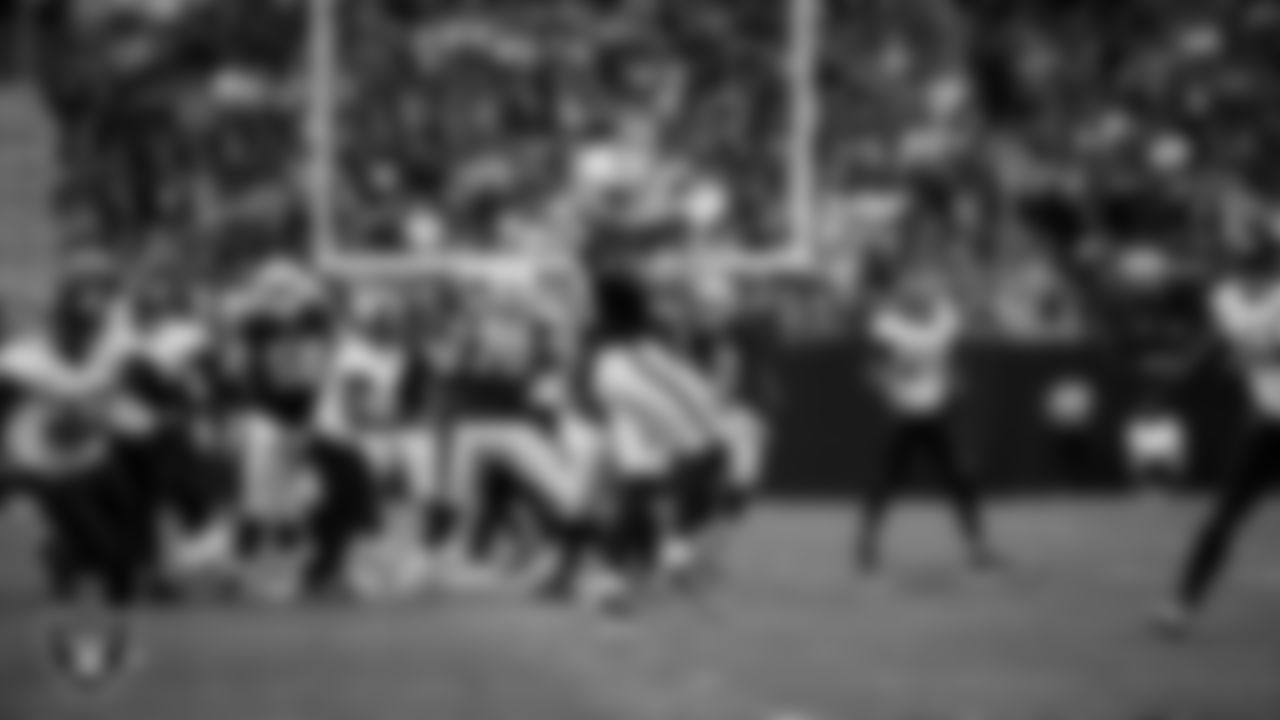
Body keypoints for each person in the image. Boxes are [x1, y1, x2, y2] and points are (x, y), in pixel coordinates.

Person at [1155, 243, 1280, 636]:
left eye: (1259, 270)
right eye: (1245, 268)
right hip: (1268, 423)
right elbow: (1219, 339)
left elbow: (1254, 350)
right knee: (1223, 515)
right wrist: (1184, 369)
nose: (1250, 278)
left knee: (1225, 514)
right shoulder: (1226, 299)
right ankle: (1182, 605)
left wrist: (1257, 356)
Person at [858, 267, 997, 573]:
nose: (923, 295)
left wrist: (956, 385)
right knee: (885, 480)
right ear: (904, 294)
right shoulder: (887, 326)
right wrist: (891, 386)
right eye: (916, 290)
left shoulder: (946, 320)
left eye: (928, 289)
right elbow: (872, 372)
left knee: (962, 478)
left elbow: (957, 364)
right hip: (903, 414)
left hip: (939, 412)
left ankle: (978, 547)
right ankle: (867, 545)